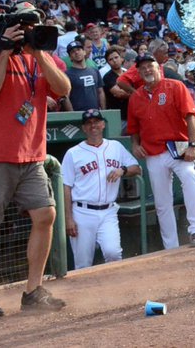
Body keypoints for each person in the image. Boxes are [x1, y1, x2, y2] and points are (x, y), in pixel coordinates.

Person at [0, 1, 70, 319]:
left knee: (46, 216)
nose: (27, 32)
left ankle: (33, 290)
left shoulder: (42, 57)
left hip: (31, 156)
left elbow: (62, 89)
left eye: (32, 27)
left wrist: (39, 52)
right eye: (22, 26)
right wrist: (7, 50)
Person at [126, 55, 195, 249]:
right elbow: (134, 129)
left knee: (189, 177)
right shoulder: (136, 97)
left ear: (158, 68)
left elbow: (191, 117)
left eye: (150, 66)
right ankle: (171, 245)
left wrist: (193, 145)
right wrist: (135, 145)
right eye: (142, 67)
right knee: (162, 202)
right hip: (153, 152)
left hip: (178, 148)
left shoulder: (175, 86)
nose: (146, 70)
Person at [62, 109, 141, 269]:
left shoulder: (116, 147)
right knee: (83, 263)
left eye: (97, 122)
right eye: (89, 123)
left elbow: (137, 168)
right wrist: (68, 218)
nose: (93, 125)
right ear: (84, 128)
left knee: (113, 253)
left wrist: (122, 170)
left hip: (108, 211)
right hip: (82, 212)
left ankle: (114, 291)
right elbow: (66, 187)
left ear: (103, 124)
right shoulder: (73, 153)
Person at [63, 41, 105, 112]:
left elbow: (100, 92)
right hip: (78, 114)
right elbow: (66, 97)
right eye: (73, 51)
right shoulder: (67, 74)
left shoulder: (94, 71)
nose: (76, 52)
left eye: (79, 50)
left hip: (96, 113)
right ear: (70, 57)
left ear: (84, 52)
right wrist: (72, 115)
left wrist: (104, 111)